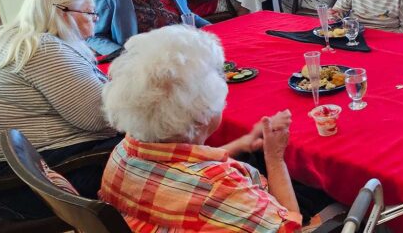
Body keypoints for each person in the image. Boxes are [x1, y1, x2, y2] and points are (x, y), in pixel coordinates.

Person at [99, 25, 322, 231]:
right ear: (201, 117)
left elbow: (182, 163)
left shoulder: (124, 148)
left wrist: (240, 145)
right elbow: (290, 228)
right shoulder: (220, 188)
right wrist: (275, 158)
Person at [0, 0, 121, 220]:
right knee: (153, 154)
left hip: (22, 168)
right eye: (89, 11)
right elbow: (100, 118)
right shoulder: (43, 50)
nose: (96, 17)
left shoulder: (21, 38)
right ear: (62, 13)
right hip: (20, 185)